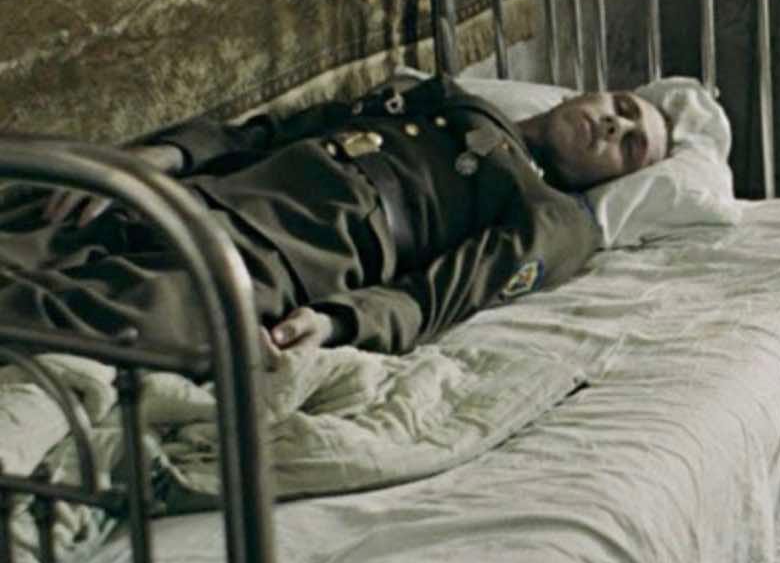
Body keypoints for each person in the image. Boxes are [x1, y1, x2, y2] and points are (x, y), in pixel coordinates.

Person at [0, 73, 670, 358]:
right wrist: (163, 157)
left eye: (630, 144)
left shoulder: (556, 219)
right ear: (588, 92)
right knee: (28, 235)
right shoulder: (440, 96)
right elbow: (267, 131)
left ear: (619, 177)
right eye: (620, 107)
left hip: (272, 264)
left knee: (68, 325)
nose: (614, 125)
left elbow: (437, 298)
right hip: (204, 196)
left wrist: (339, 322)